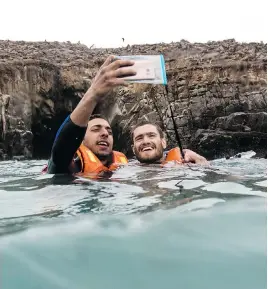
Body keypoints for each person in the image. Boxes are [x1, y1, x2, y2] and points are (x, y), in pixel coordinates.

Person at [45, 55, 137, 176]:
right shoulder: (70, 166)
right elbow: (62, 146)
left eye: (109, 132)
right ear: (81, 140)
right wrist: (93, 94)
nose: (105, 134)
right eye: (96, 129)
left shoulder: (125, 168)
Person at [131, 120, 209, 165]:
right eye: (139, 138)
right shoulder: (124, 170)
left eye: (151, 136)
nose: (146, 141)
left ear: (163, 143)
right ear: (133, 149)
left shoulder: (186, 163)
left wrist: (200, 159)